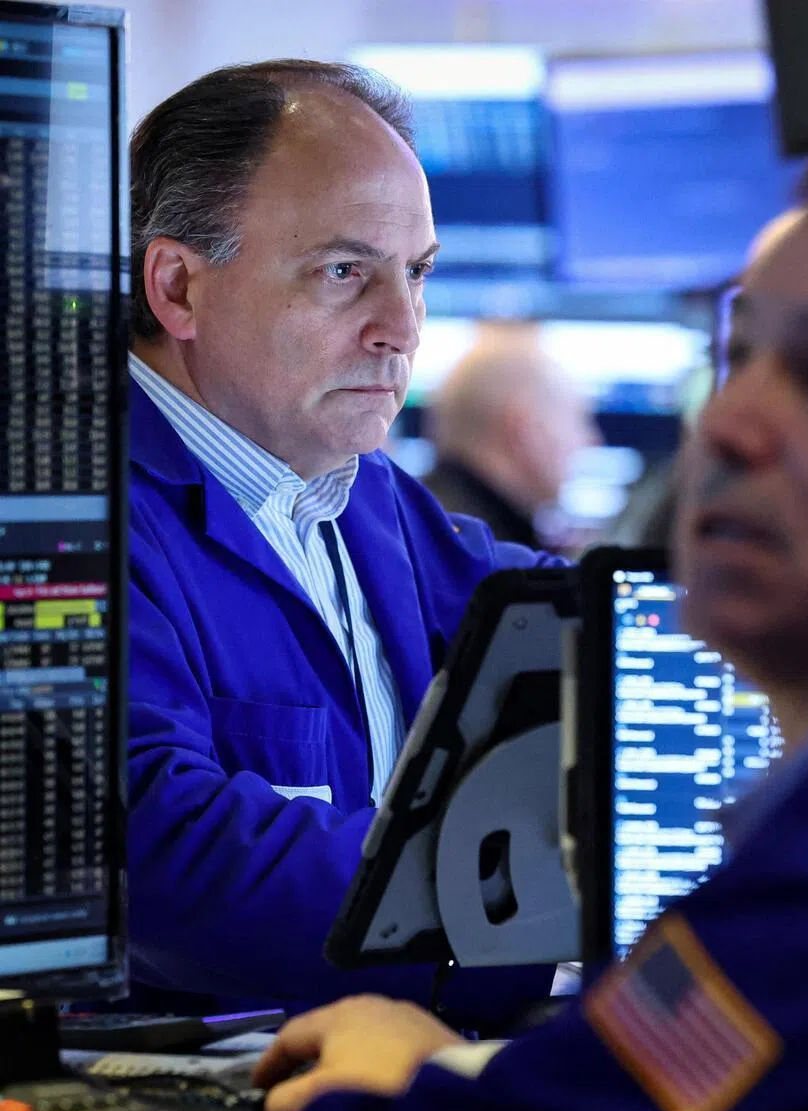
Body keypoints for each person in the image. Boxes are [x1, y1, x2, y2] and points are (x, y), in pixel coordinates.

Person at [242, 150, 808, 1111]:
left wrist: (401, 1104)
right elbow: (612, 1097)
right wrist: (476, 1077)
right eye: (739, 358)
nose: (732, 425)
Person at [127, 60, 559, 1020]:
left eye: (416, 273)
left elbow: (570, 622)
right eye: (343, 271)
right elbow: (161, 845)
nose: (401, 328)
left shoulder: (364, 497)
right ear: (178, 287)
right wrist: (521, 911)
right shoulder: (73, 525)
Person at [421, 323, 600, 548]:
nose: (591, 440)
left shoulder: (416, 517)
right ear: (527, 430)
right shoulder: (488, 556)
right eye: (580, 420)